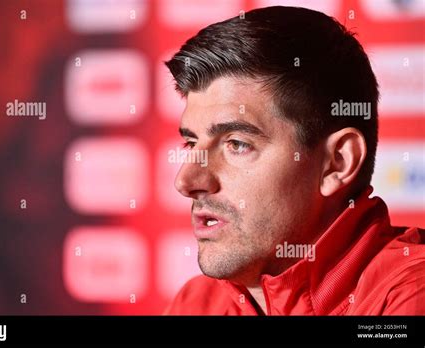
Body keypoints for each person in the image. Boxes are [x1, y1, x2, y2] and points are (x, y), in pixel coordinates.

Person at [163, 6, 424, 315]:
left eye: (237, 144)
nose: (186, 181)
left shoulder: (412, 295)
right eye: (191, 142)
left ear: (337, 163)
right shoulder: (197, 304)